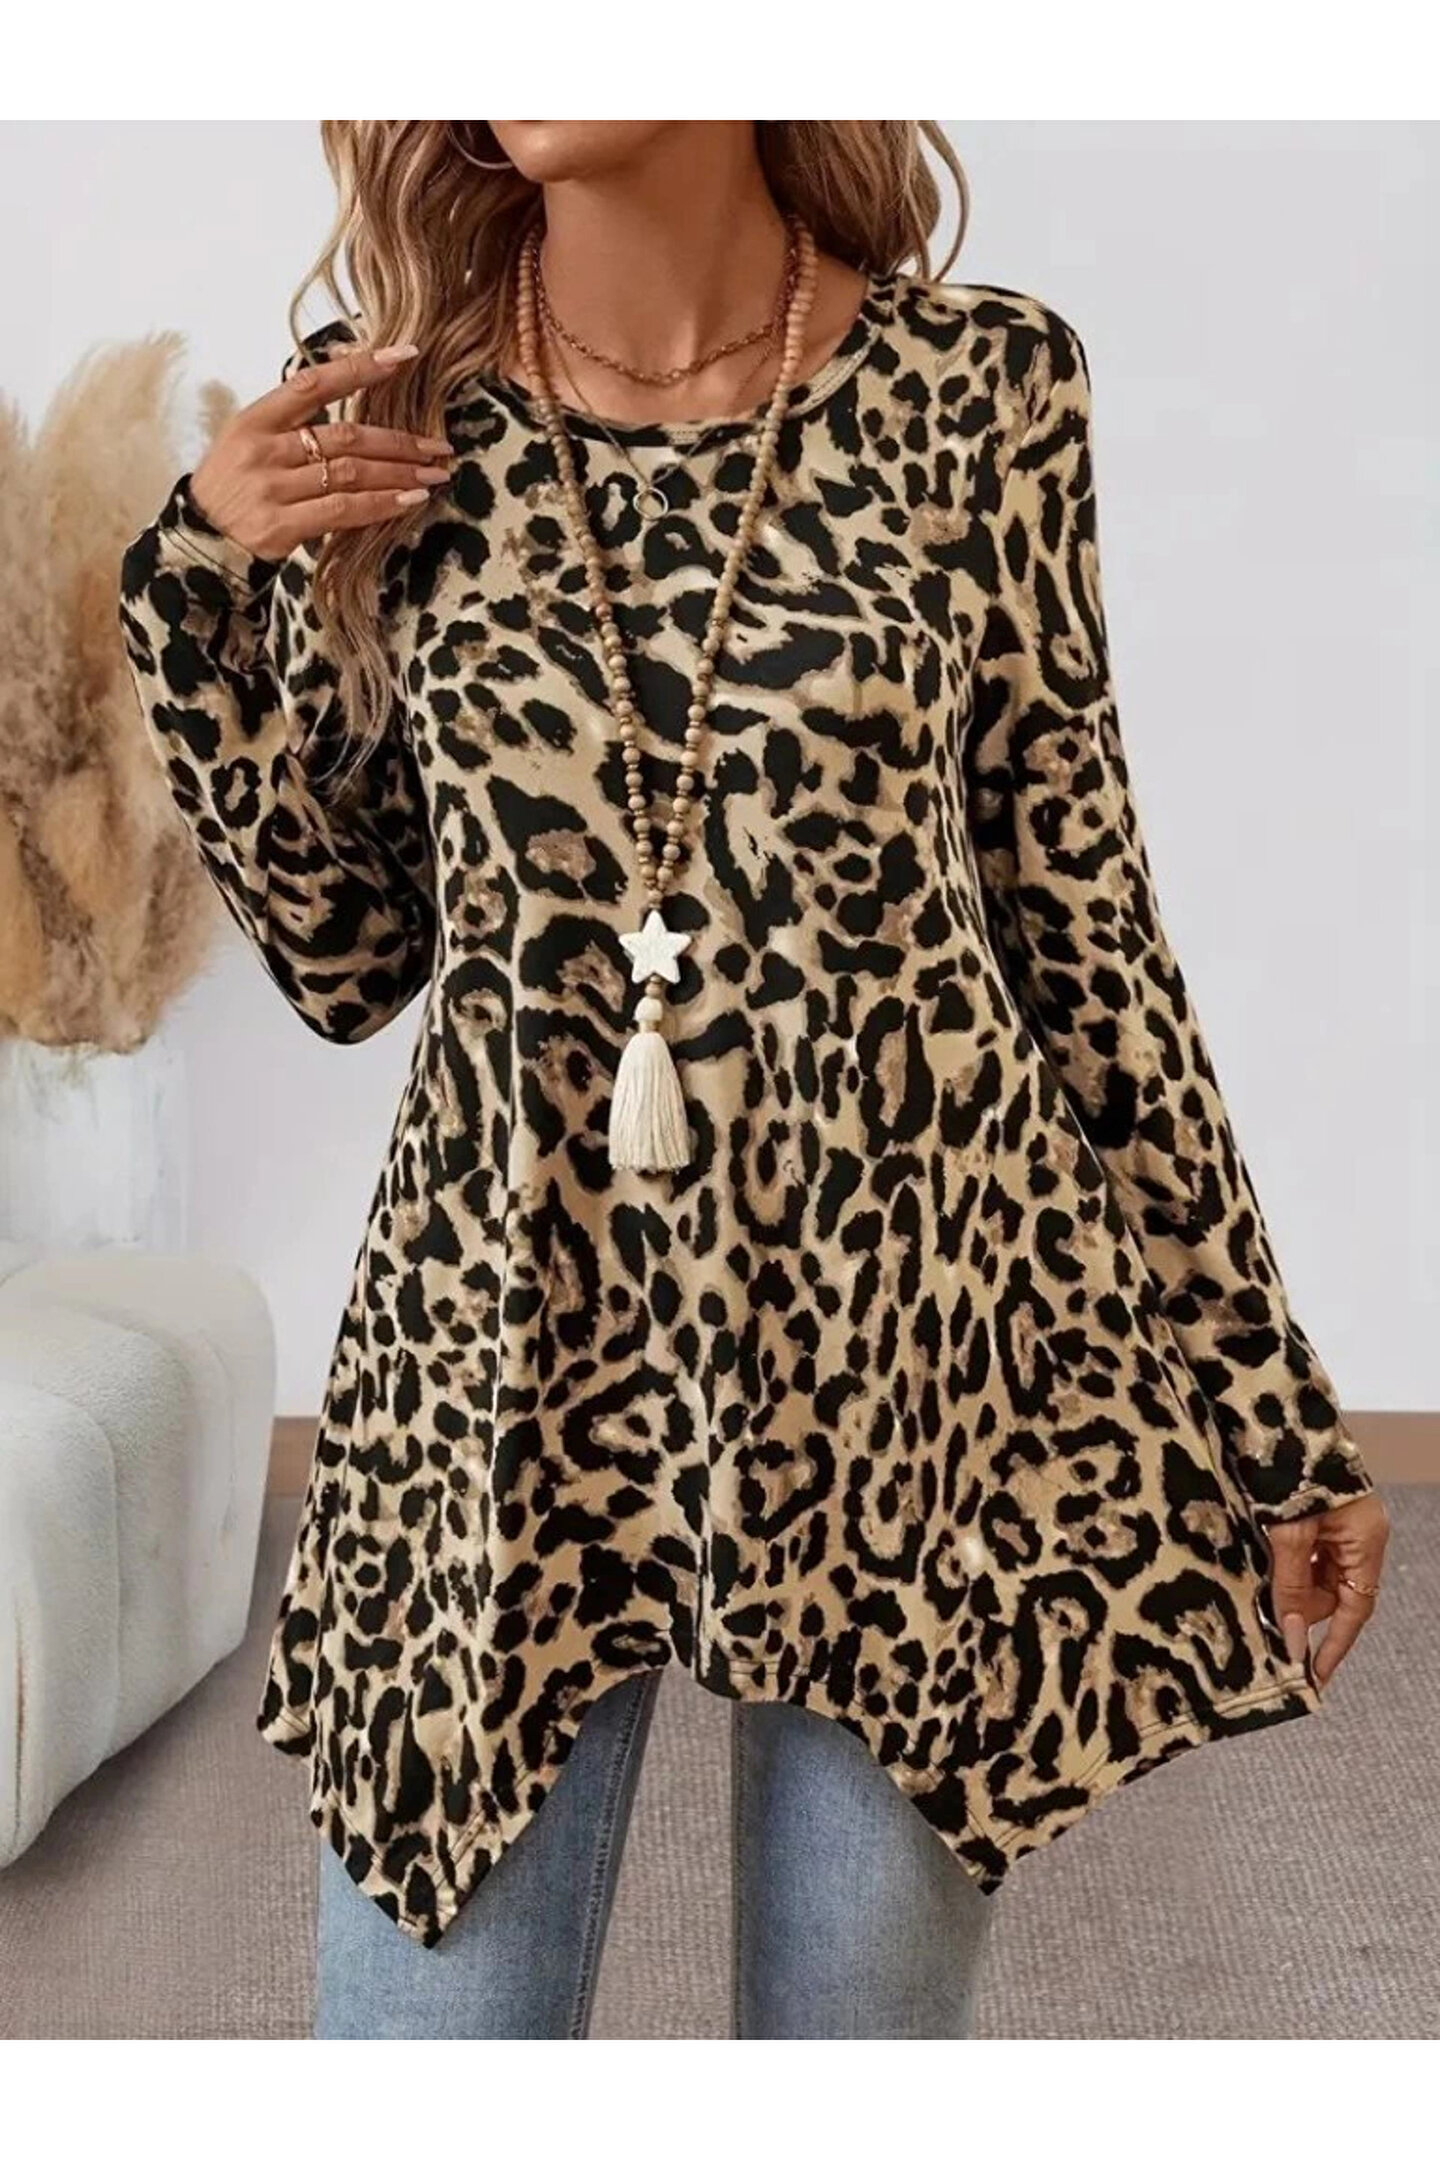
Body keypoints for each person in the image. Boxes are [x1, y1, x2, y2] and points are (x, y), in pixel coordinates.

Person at [117, 120, 1388, 2041]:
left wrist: (1268, 1405)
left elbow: (1083, 932)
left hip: (905, 1374)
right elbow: (350, 959)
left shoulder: (983, 389)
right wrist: (196, 585)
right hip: (505, 1372)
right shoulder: (394, 418)